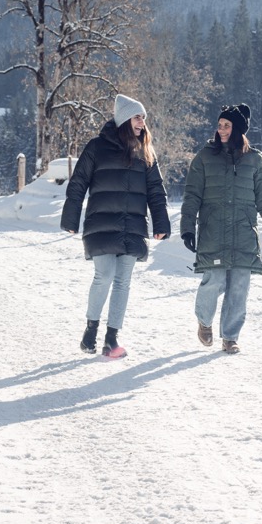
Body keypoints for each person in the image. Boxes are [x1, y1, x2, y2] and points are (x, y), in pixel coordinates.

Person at [61, 94, 170, 359]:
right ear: (123, 119)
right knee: (105, 275)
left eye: (143, 117)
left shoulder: (146, 152)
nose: (141, 122)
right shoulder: (97, 147)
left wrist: (161, 222)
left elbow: (156, 190)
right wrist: (70, 218)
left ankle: (111, 338)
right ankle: (91, 329)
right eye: (136, 116)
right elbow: (78, 183)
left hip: (132, 225)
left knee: (123, 281)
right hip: (102, 223)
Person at [181, 103, 262, 355]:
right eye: (219, 125)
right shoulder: (205, 157)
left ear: (238, 129)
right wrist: (187, 228)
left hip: (243, 234)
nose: (221, 130)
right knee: (213, 281)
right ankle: (204, 321)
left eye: (226, 126)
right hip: (212, 232)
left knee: (239, 287)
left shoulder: (253, 160)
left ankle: (230, 337)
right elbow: (192, 195)